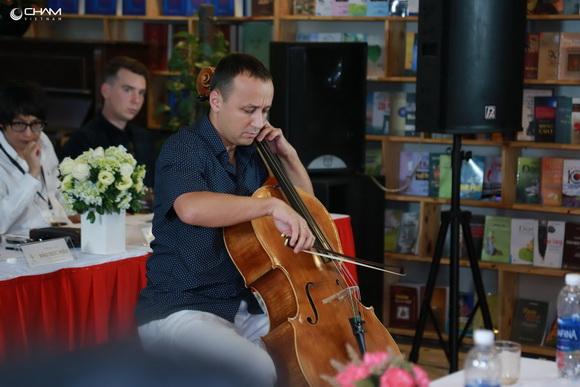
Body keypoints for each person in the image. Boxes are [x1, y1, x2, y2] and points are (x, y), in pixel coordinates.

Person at [135, 53, 316, 386]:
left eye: (265, 111)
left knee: (314, 352)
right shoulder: (184, 147)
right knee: (255, 369)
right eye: (248, 110)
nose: (259, 122)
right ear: (216, 100)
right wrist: (267, 207)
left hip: (242, 304)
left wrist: (288, 155)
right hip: (182, 306)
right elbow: (191, 207)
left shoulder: (254, 152)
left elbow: (306, 207)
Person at [61, 56, 155, 187]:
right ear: (106, 91)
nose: (136, 100)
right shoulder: (82, 141)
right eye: (128, 90)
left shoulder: (145, 139)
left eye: (141, 93)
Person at [0, 81, 69, 235]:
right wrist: (32, 173)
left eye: (36, 124)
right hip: (15, 244)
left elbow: (56, 189)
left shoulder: (43, 139)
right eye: (19, 124)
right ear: (2, 124)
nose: (29, 134)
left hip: (58, 231)